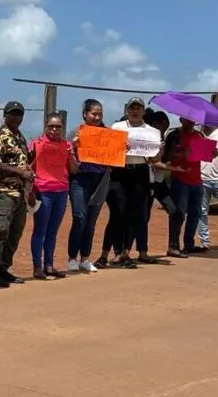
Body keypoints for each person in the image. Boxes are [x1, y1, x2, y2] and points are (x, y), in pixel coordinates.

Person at [97, 97, 162, 269]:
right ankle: (106, 253)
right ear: (127, 110)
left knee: (133, 215)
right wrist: (119, 148)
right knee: (117, 214)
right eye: (132, 108)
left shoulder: (151, 131)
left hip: (140, 171)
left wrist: (158, 150)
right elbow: (109, 151)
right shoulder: (117, 127)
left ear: (143, 110)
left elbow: (155, 159)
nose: (135, 111)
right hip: (120, 171)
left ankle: (125, 252)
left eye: (138, 108)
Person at [0, 101, 33, 287]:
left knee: (14, 233)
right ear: (5, 115)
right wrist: (20, 172)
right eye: (12, 114)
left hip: (20, 193)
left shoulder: (20, 138)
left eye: (19, 114)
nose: (15, 117)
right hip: (2, 192)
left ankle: (3, 269)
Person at [28, 113, 78, 280]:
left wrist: (71, 155)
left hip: (61, 191)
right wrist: (30, 190)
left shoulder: (66, 146)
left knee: (52, 231)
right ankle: (37, 267)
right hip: (42, 191)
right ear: (45, 127)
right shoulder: (36, 143)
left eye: (58, 126)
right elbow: (27, 166)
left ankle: (49, 265)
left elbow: (74, 170)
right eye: (51, 126)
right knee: (40, 230)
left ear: (62, 128)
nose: (54, 129)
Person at [67, 99, 107, 274]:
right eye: (94, 113)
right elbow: (65, 155)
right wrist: (73, 145)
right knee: (80, 218)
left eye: (99, 114)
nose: (97, 117)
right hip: (80, 180)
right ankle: (71, 258)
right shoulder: (76, 132)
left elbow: (113, 157)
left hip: (99, 181)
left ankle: (85, 258)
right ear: (85, 114)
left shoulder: (107, 135)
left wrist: (121, 149)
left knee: (91, 222)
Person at [163, 118, 206, 258]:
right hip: (180, 178)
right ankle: (173, 246)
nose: (191, 122)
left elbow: (205, 155)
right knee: (178, 214)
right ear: (181, 119)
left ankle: (189, 244)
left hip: (197, 179)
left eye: (193, 120)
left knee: (195, 214)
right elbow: (165, 158)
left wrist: (211, 153)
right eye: (188, 119)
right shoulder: (174, 135)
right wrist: (179, 153)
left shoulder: (199, 135)